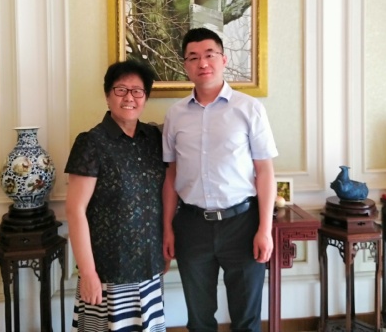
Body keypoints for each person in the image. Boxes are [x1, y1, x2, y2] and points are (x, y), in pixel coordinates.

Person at [162, 27, 278, 332]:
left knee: (246, 320)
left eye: (209, 55)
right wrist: (168, 228)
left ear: (223, 59)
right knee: (199, 320)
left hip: (242, 223)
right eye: (193, 57)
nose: (202, 63)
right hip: (192, 226)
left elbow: (265, 171)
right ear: (185, 65)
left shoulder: (249, 108)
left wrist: (264, 230)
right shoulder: (175, 115)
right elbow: (171, 173)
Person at [65, 60, 167, 332]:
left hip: (148, 266)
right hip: (107, 270)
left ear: (146, 97)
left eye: (137, 91)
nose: (129, 98)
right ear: (107, 95)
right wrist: (88, 273)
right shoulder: (91, 142)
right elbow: (75, 210)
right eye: (121, 90)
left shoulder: (153, 139)